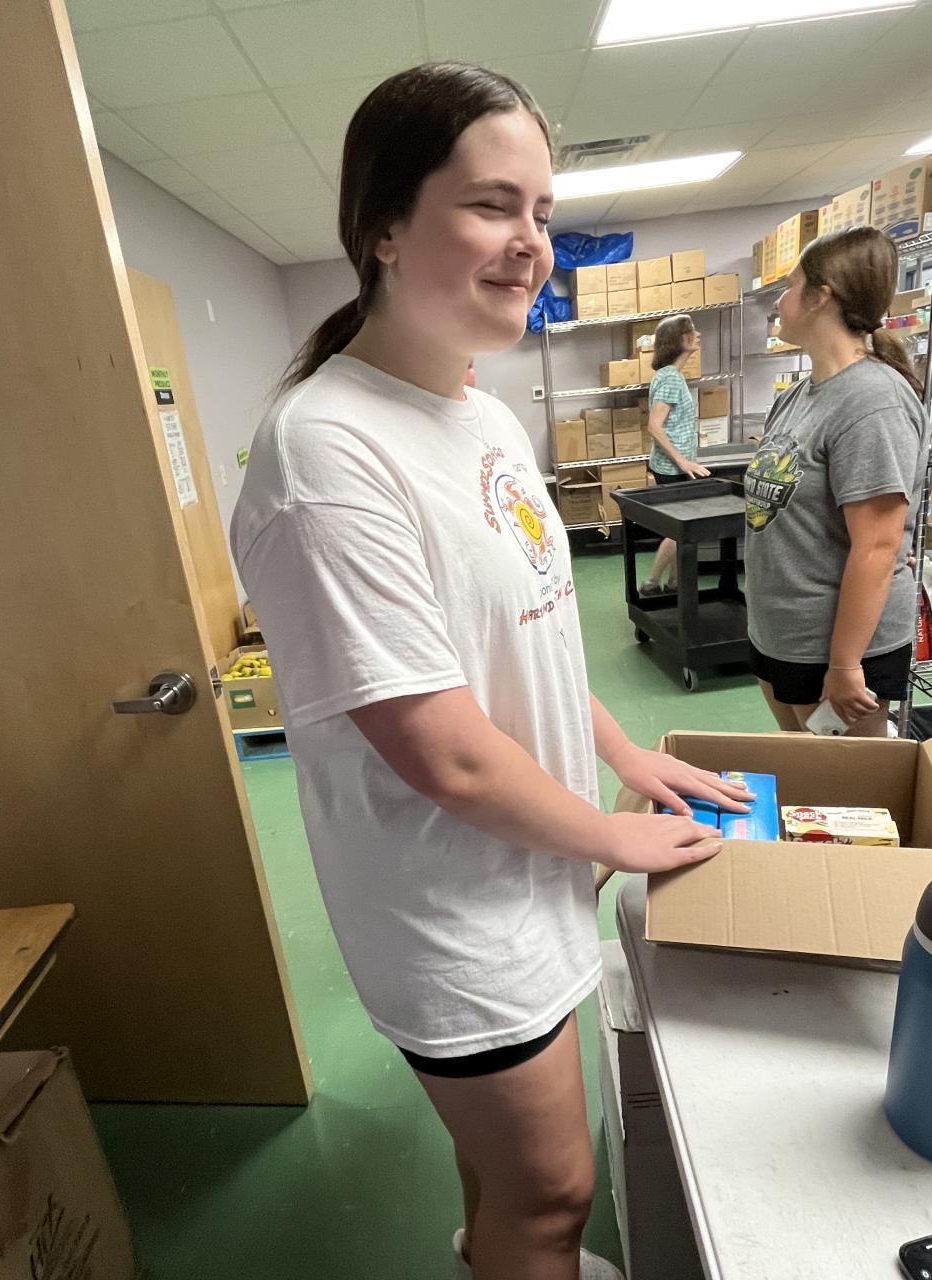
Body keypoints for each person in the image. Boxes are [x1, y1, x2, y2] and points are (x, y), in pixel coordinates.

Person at [230, 63, 750, 1280]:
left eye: (542, 211)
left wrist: (627, 758)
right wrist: (611, 837)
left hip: (530, 861)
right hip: (451, 907)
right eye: (490, 204)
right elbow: (444, 749)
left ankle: (490, 1253)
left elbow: (532, 633)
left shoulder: (481, 412)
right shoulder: (327, 452)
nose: (532, 243)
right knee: (552, 1190)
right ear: (384, 227)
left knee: (502, 1175)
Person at [745, 226, 930, 736]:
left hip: (838, 650)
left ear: (820, 297)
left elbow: (878, 545)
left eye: (790, 286)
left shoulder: (872, 401)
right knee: (806, 772)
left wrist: (845, 664)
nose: (779, 301)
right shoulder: (798, 397)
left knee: (853, 785)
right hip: (784, 633)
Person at [639, 315, 710, 596]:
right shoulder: (669, 377)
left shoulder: (671, 375)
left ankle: (675, 583)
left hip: (676, 466)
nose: (698, 334)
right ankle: (652, 582)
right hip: (673, 469)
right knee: (680, 529)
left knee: (682, 527)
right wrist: (682, 460)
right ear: (678, 340)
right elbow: (654, 426)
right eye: (691, 331)